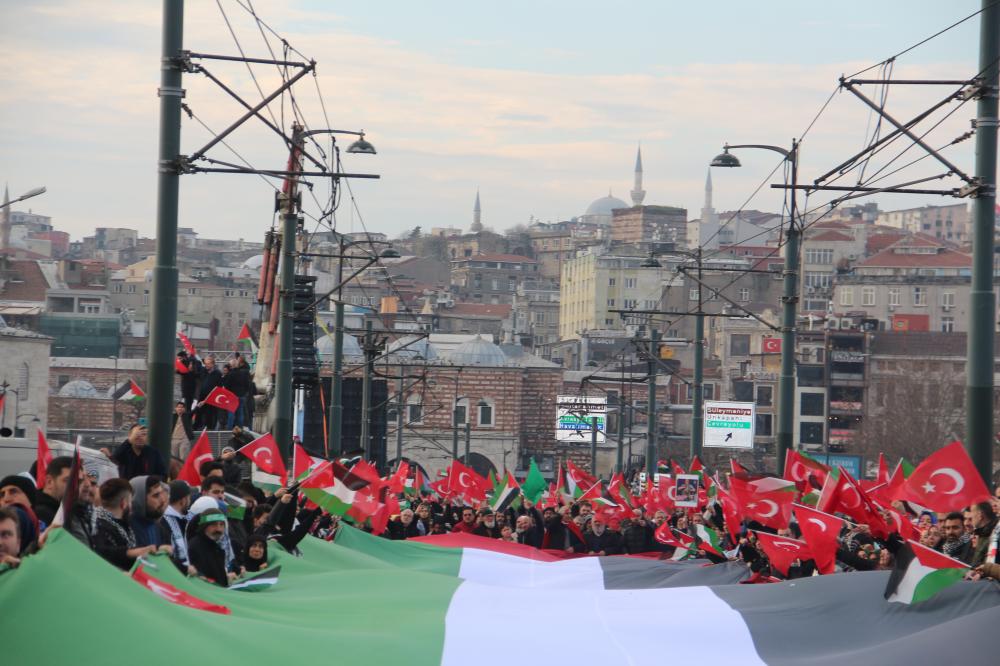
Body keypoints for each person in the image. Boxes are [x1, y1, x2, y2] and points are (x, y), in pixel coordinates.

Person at [92, 478, 155, 570]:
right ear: (124, 503)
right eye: (130, 501)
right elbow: (104, 553)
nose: (131, 505)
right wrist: (130, 553)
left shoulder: (124, 524)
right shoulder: (99, 525)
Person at [188, 508, 232, 586]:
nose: (218, 529)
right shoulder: (195, 546)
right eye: (214, 525)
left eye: (221, 524)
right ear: (204, 526)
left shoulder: (216, 547)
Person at [129, 476, 171, 551]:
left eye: (161, 493)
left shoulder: (159, 528)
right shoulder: (128, 528)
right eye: (156, 496)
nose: (162, 500)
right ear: (140, 499)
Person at [32, 456, 74, 527]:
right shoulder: (41, 514)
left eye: (78, 482)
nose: (74, 487)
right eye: (68, 481)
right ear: (49, 482)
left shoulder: (61, 511)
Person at [164, 480, 192, 570]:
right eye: (189, 498)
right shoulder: (165, 520)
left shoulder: (184, 518)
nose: (190, 501)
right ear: (183, 500)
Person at [194, 355, 223, 430]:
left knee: (210, 414)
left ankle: (210, 429)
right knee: (199, 412)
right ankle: (197, 428)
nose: (206, 365)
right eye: (205, 363)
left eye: (208, 363)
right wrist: (193, 355)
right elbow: (197, 365)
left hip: (211, 397)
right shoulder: (203, 371)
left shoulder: (217, 374)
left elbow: (219, 387)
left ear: (213, 364)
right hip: (202, 396)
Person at [969, 501, 998, 567]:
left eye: (971, 511)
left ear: (980, 515)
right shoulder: (981, 534)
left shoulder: (993, 535)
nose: (970, 516)